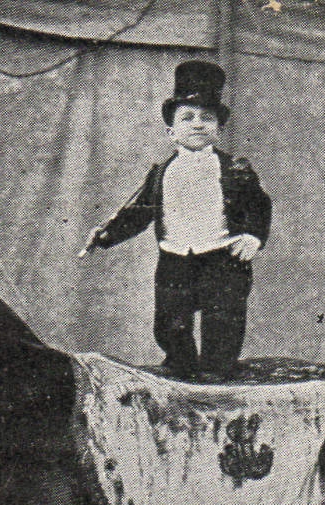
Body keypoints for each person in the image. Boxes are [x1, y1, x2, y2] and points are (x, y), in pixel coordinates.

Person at [81, 59, 271, 381]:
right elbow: (138, 212)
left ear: (219, 128)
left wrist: (253, 237)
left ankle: (215, 370)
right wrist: (105, 235)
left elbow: (258, 205)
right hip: (175, 257)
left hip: (223, 259)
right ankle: (180, 365)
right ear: (171, 131)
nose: (198, 124)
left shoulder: (236, 169)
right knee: (171, 320)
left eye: (207, 118)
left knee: (223, 318)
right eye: (188, 117)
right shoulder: (161, 174)